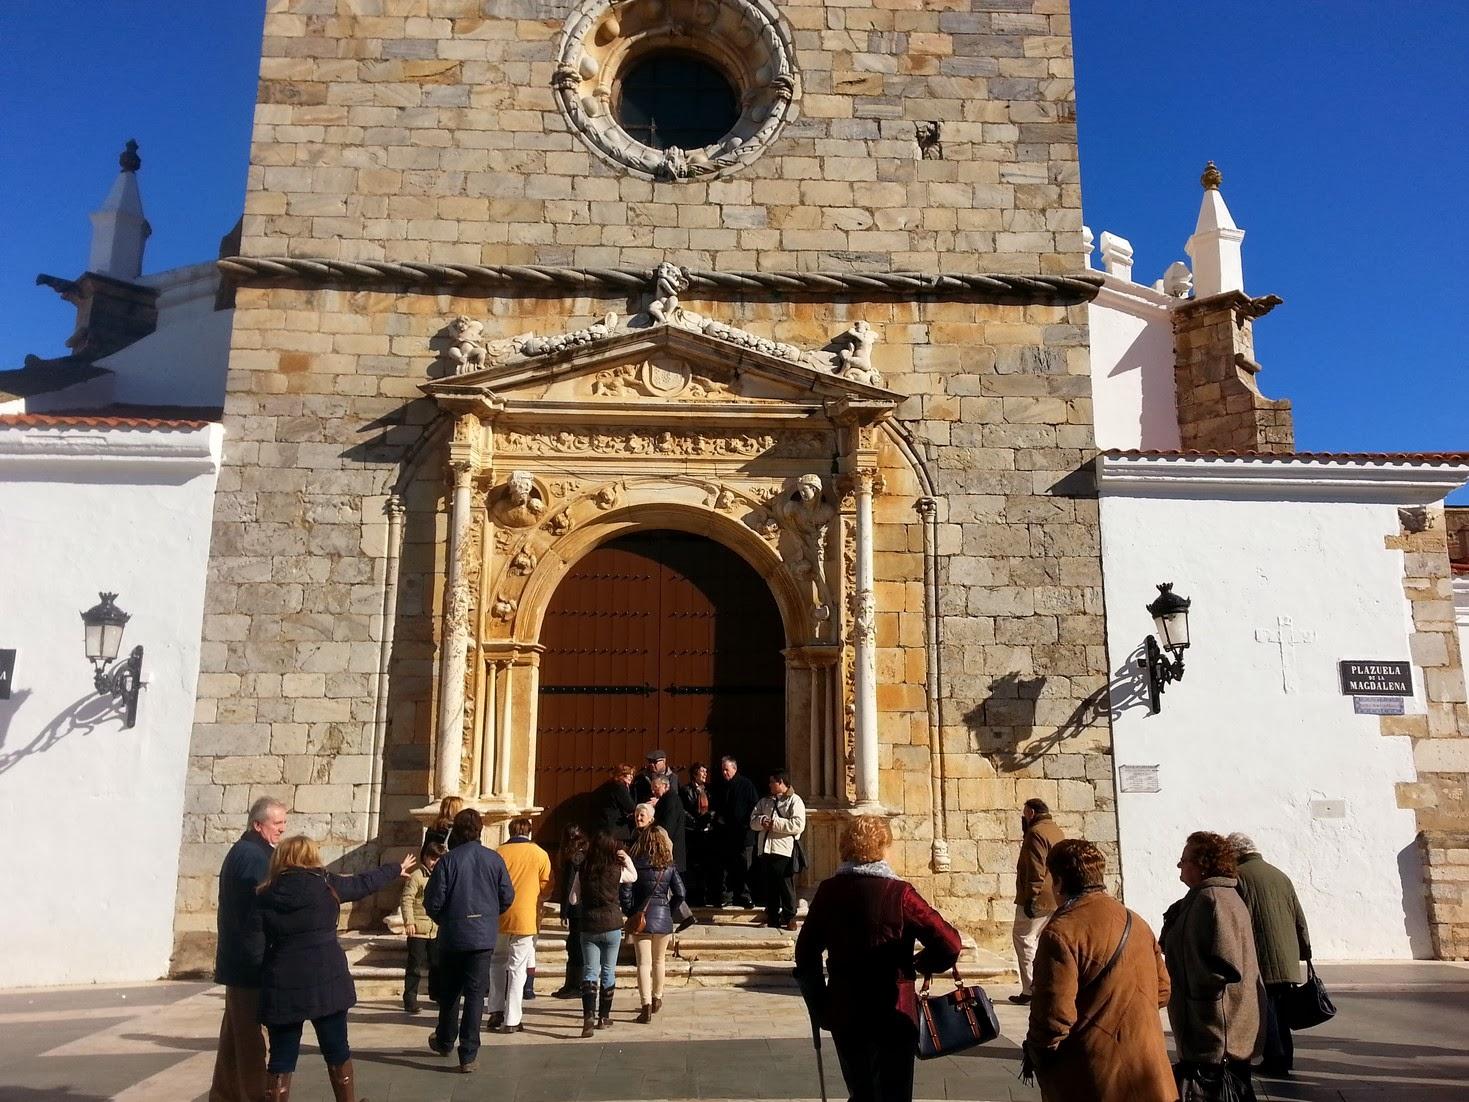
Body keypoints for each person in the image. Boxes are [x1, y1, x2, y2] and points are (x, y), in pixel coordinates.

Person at [794, 815, 962, 1102]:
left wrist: (820, 1002)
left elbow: (805, 952)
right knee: (894, 1092)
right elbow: (949, 942)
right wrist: (921, 964)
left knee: (862, 1090)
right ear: (882, 847)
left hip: (845, 1008)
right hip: (893, 1008)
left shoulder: (829, 891)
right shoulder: (900, 894)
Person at [257, 836, 414, 1102]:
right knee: (336, 1048)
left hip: (282, 979)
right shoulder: (326, 884)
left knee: (281, 1057)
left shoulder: (264, 893)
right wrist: (394, 869)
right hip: (326, 977)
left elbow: (255, 940)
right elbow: (363, 883)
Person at [1023, 839, 1175, 1102]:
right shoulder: (1136, 922)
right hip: (1148, 1071)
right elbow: (1162, 990)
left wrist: (1038, 1053)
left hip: (1092, 1075)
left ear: (1057, 880)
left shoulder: (1061, 932)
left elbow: (1053, 1018)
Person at [1161, 831, 1266, 1088]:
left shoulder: (1214, 899)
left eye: (1184, 860)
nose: (1179, 865)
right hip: (1208, 1029)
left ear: (1202, 865)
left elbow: (1226, 965)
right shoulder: (1203, 897)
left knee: (1223, 1091)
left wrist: (1199, 993)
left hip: (1216, 1033)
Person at [423, 808, 515, 1074]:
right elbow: (507, 896)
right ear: (480, 831)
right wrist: (487, 916)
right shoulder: (493, 859)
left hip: (453, 935)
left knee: (450, 991)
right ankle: (469, 1054)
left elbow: (433, 900)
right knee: (475, 995)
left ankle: (444, 1039)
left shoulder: (448, 861)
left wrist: (447, 919)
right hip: (482, 936)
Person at [211, 796, 287, 1102]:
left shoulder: (244, 851)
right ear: (258, 825)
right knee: (251, 1043)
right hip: (249, 964)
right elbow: (268, 903)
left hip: (238, 962)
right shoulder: (256, 857)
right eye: (277, 823)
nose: (282, 829)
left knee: (234, 1038)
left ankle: (223, 1095)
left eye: (283, 822)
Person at [1229, 832, 1312, 1078]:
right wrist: (1305, 950)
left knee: (1268, 1010)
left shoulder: (1239, 877)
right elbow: (1299, 915)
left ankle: (1275, 1060)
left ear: (1235, 853)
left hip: (1261, 954)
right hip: (1286, 954)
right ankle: (1285, 1057)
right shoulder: (1280, 875)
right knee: (1281, 1009)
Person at [486, 817, 552, 1034]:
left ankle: (495, 1010)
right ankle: (512, 1018)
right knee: (517, 967)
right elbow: (547, 887)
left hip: (499, 915)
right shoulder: (539, 853)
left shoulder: (498, 852)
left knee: (496, 962)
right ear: (530, 832)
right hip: (526, 916)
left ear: (510, 830)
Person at [575, 829, 638, 1037]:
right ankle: (604, 1016)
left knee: (590, 970)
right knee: (609, 970)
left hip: (590, 926)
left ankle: (588, 1017)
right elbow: (634, 876)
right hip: (612, 924)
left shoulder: (583, 869)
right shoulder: (615, 869)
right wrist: (626, 857)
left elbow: (573, 899)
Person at [628, 826, 688, 1023]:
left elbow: (626, 890)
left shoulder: (636, 864)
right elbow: (680, 893)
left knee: (643, 963)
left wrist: (631, 911)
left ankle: (645, 1005)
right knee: (659, 961)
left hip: (642, 918)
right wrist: (668, 911)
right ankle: (657, 998)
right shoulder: (669, 866)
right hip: (663, 917)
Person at [1011, 797, 1065, 1005]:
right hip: (1055, 895)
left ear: (1031, 813)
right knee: (1042, 941)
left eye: (1024, 813)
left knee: (1024, 939)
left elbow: (1036, 867)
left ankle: (1032, 988)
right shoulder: (1054, 830)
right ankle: (1047, 984)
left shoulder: (1035, 833)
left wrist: (1032, 896)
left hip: (1038, 897)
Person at [751, 769, 806, 930]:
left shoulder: (795, 801)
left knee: (785, 884)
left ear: (781, 782)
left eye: (772, 782)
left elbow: (798, 825)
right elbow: (753, 820)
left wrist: (774, 824)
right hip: (766, 848)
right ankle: (773, 917)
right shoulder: (765, 801)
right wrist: (762, 821)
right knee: (770, 885)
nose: (769, 785)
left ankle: (790, 917)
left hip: (784, 849)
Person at [400, 840, 446, 1015]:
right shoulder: (417, 876)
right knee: (415, 966)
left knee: (436, 964)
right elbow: (407, 899)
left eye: (437, 859)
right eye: (432, 858)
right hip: (418, 928)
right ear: (425, 858)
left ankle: (436, 994)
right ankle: (410, 999)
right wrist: (409, 921)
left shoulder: (440, 875)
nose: (434, 862)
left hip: (434, 928)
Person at [713, 755, 759, 907]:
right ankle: (727, 897)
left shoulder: (746, 785)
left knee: (745, 867)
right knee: (726, 867)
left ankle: (745, 896)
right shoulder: (721, 786)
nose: (724, 773)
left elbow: (754, 808)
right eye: (722, 770)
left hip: (744, 836)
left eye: (726, 770)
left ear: (734, 768)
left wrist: (745, 825)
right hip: (726, 836)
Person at [551, 825, 589, 998]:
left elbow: (568, 887)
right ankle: (572, 984)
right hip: (584, 907)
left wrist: (564, 911)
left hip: (576, 908)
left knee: (574, 946)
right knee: (575, 945)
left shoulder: (573, 859)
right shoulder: (587, 855)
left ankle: (575, 985)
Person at [681, 762, 716, 905]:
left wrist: (710, 817)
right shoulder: (685, 790)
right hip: (693, 832)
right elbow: (683, 810)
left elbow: (713, 807)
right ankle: (692, 896)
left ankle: (705, 895)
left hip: (707, 832)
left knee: (706, 865)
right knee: (693, 865)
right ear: (695, 773)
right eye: (702, 772)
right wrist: (695, 821)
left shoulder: (709, 790)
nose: (705, 774)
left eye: (706, 772)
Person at [651, 773, 688, 873]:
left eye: (656, 788)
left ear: (665, 786)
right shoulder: (667, 799)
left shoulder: (669, 799)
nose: (653, 791)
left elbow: (668, 826)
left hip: (671, 850)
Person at [593, 764, 637, 843]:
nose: (631, 777)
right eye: (628, 774)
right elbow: (631, 807)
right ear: (621, 774)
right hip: (617, 829)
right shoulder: (620, 787)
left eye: (632, 774)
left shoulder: (607, 785)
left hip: (602, 827)